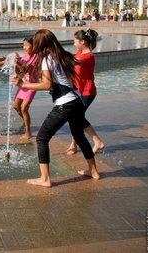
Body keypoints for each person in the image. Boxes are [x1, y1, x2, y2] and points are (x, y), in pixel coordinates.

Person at [12, 29, 99, 187]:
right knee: (79, 136)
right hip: (77, 99)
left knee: (42, 138)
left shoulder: (46, 59)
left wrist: (22, 84)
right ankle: (93, 171)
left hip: (65, 103)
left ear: (40, 44)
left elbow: (47, 85)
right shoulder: (63, 54)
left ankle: (45, 179)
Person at [66, 29, 105, 155]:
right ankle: (75, 144)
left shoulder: (88, 56)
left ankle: (97, 142)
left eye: (75, 41)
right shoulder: (80, 52)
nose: (73, 44)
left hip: (87, 92)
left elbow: (73, 61)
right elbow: (72, 59)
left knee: (76, 117)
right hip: (79, 91)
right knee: (75, 117)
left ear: (82, 41)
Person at [13, 36, 38, 140]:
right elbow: (19, 72)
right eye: (23, 45)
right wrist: (16, 63)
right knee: (16, 106)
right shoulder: (25, 55)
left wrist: (19, 63)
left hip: (31, 85)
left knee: (24, 108)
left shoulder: (36, 56)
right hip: (23, 84)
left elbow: (27, 70)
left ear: (34, 46)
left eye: (27, 45)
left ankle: (28, 132)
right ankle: (25, 121)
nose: (24, 48)